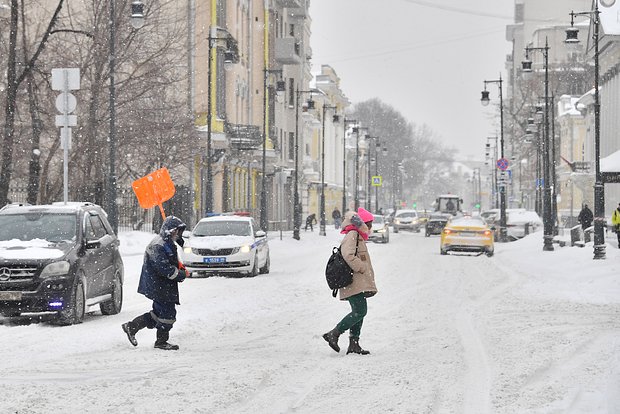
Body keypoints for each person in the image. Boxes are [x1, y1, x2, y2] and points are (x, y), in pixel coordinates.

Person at [122, 216, 189, 350]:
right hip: (159, 286)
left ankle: (132, 326)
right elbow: (164, 269)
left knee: (158, 313)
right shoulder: (158, 245)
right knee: (167, 314)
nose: (177, 234)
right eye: (176, 231)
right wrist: (181, 274)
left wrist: (178, 267)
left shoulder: (167, 242)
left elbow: (169, 263)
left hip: (162, 285)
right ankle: (161, 342)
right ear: (170, 231)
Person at [323, 207, 377, 355]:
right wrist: (362, 267)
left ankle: (354, 343)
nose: (371, 227)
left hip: (357, 281)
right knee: (360, 311)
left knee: (359, 312)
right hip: (352, 280)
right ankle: (334, 333)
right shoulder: (353, 234)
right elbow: (348, 255)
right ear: (363, 223)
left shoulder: (357, 235)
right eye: (370, 223)